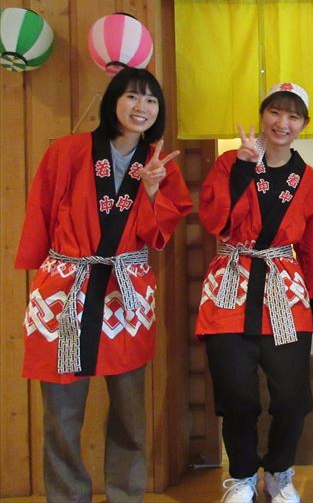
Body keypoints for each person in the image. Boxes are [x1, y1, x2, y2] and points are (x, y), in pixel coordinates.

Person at [15, 67, 193, 502]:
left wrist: (151, 190)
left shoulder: (158, 163)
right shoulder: (69, 151)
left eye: (151, 100)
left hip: (124, 296)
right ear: (113, 101)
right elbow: (40, 208)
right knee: (61, 413)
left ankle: (125, 494)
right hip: (66, 290)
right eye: (132, 96)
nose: (141, 107)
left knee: (131, 412)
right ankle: (67, 496)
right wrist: (37, 269)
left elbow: (158, 234)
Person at [196, 82, 313, 503]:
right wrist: (241, 169)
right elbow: (214, 220)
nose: (282, 123)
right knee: (236, 395)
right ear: (262, 115)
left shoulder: (309, 181)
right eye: (275, 112)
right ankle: (240, 476)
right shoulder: (228, 163)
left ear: (304, 125)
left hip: (284, 287)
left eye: (293, 116)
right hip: (230, 287)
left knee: (293, 397)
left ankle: (278, 470)